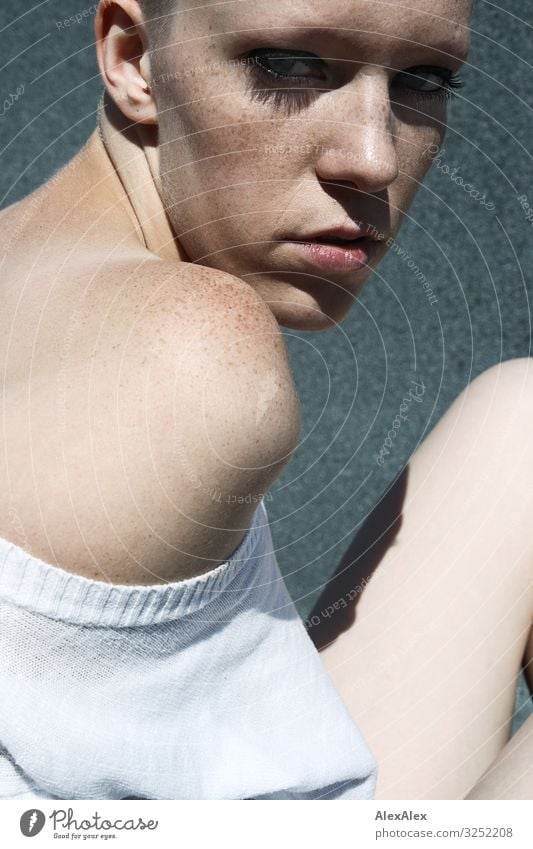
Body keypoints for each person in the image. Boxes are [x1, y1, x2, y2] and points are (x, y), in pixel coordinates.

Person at [0, 0, 530, 799]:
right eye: (285, 64)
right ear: (134, 57)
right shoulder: (188, 351)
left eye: (424, 79)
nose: (372, 157)